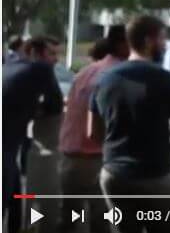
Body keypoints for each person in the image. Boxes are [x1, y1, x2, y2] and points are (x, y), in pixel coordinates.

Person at [88, 16, 170, 233]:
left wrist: (115, 153)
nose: (164, 45)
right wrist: (169, 154)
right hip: (156, 175)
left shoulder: (104, 81)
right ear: (148, 41)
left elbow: (93, 132)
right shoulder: (167, 80)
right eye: (162, 39)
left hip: (115, 176)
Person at [58, 26, 129, 233]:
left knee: (69, 219)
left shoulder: (86, 72)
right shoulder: (118, 75)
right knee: (100, 221)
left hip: (70, 158)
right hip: (96, 158)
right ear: (122, 44)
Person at [3, 36, 64, 233]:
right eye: (51, 53)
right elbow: (55, 104)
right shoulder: (41, 69)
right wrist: (35, 110)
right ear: (35, 53)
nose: (56, 59)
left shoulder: (8, 66)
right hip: (5, 149)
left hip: (9, 146)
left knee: (15, 199)